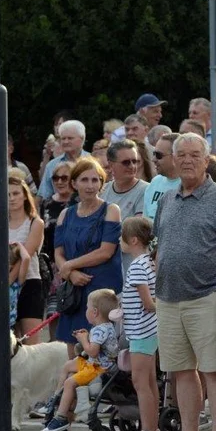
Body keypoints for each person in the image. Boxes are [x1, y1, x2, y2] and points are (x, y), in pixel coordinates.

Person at [153, 132, 216, 431]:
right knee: (180, 370)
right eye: (183, 155)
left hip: (207, 296)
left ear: (207, 161)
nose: (188, 160)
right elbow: (159, 244)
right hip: (167, 298)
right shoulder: (166, 199)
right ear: (174, 161)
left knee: (213, 368)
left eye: (195, 155)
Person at [53, 158, 123, 353]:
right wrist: (69, 273)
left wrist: (69, 265)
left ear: (102, 183)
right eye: (84, 180)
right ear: (74, 183)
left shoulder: (111, 210)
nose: (90, 185)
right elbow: (58, 253)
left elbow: (105, 251)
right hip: (74, 293)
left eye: (95, 180)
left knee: (101, 356)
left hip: (101, 293)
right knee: (73, 354)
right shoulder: (65, 214)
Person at [41, 288, 120, 431]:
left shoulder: (100, 330)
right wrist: (87, 336)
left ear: (95, 312)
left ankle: (61, 416)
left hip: (99, 368)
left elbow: (93, 352)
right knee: (68, 365)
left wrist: (84, 340)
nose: (86, 311)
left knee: (70, 382)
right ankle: (56, 396)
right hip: (96, 364)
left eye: (87, 308)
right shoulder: (104, 327)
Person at [117, 216, 163, 431]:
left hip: (141, 330)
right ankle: (153, 429)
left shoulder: (137, 266)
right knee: (149, 382)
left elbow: (147, 302)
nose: (119, 241)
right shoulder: (149, 262)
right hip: (150, 329)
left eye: (122, 236)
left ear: (132, 240)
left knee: (140, 382)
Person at [7, 173, 46, 337]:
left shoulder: (35, 222)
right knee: (10, 342)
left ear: (24, 195)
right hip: (6, 284)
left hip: (29, 282)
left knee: (31, 341)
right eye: (7, 194)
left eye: (15, 193)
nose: (11, 198)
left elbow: (26, 255)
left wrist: (7, 283)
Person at [101, 140, 149, 270]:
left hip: (132, 269)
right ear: (111, 165)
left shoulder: (146, 191)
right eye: (126, 162)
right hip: (103, 267)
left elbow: (135, 234)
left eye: (135, 161)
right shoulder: (102, 191)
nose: (132, 166)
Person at [40, 120, 89, 201]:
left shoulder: (93, 162)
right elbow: (44, 195)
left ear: (82, 139)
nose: (66, 141)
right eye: (63, 138)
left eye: (70, 138)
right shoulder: (52, 165)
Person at [143, 132, 182, 220]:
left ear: (175, 157)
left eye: (158, 155)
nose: (153, 159)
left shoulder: (189, 185)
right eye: (154, 154)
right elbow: (145, 220)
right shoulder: (155, 182)